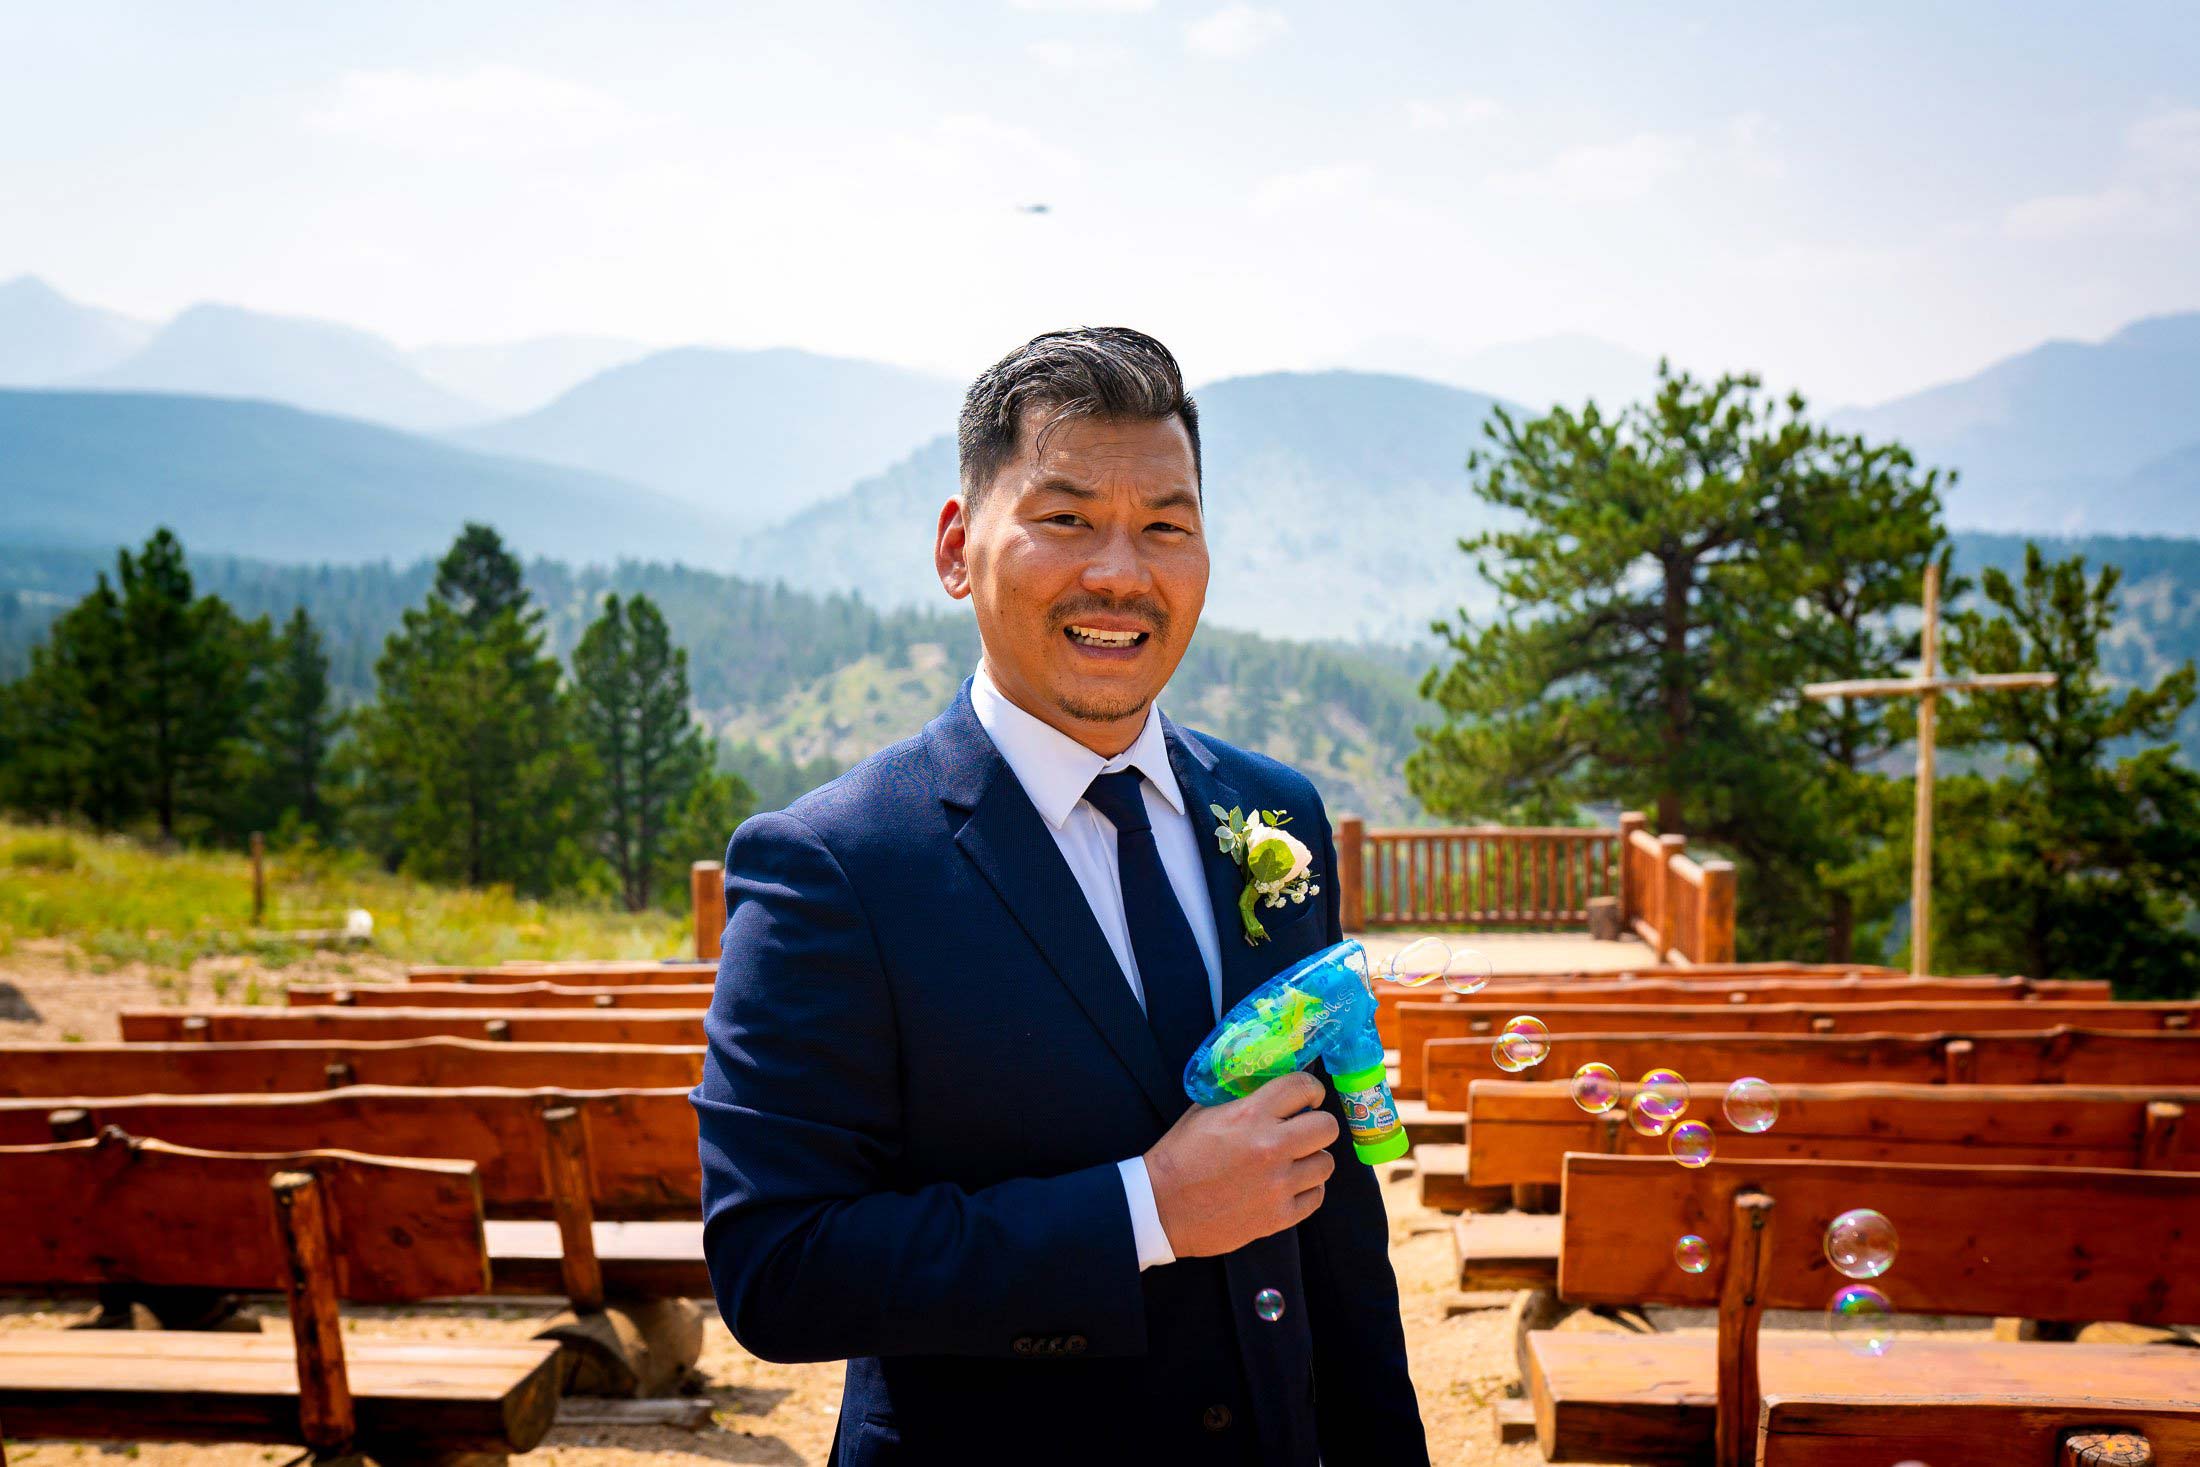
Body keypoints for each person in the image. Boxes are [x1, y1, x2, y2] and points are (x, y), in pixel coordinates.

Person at [693, 327, 1428, 1464]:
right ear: (956, 546)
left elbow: (1331, 1224)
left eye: (1166, 527)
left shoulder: (1275, 817)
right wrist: (1146, 1210)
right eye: (1067, 518)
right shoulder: (834, 865)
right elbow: (778, 1267)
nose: (1122, 574)